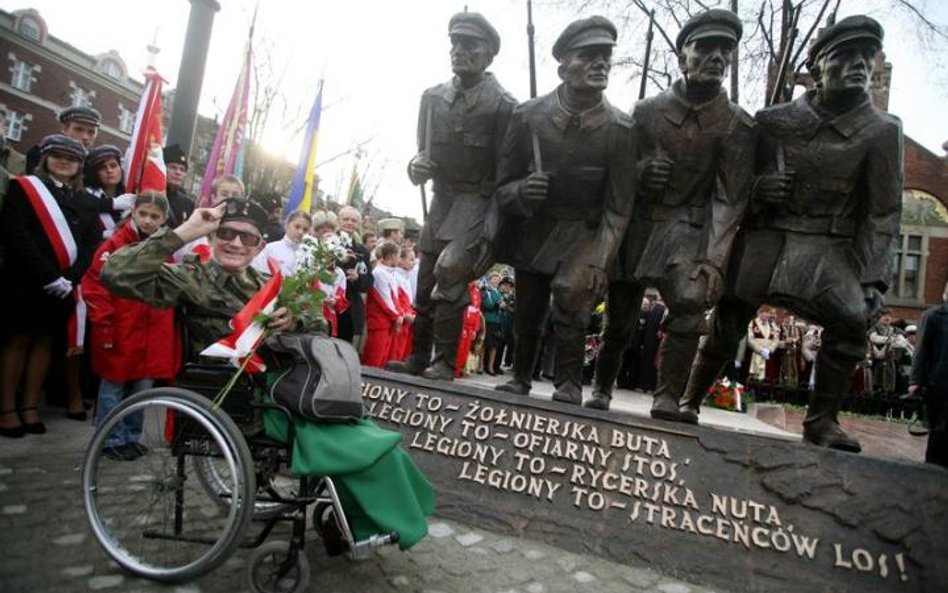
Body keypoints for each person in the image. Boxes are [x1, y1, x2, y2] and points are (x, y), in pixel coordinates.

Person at [100, 199, 434, 549]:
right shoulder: (190, 276)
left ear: (260, 245)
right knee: (354, 443)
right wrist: (184, 232)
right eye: (226, 233)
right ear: (213, 236)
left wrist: (296, 318)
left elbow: (319, 320)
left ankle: (360, 515)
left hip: (279, 387)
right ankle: (370, 517)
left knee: (363, 429)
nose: (235, 244)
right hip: (234, 398)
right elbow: (115, 273)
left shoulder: (266, 281)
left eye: (247, 238)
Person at [677, 16, 903, 452]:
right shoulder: (773, 122)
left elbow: (882, 213)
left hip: (828, 249)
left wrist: (873, 277)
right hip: (767, 236)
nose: (858, 64)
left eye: (865, 56)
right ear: (818, 68)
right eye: (844, 56)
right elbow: (733, 185)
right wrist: (760, 190)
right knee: (727, 323)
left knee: (852, 320)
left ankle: (821, 421)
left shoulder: (882, 130)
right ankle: (689, 398)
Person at [589, 9, 754, 412]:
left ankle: (667, 397)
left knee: (689, 302)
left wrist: (714, 262)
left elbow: (729, 200)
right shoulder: (646, 111)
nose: (717, 57)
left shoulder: (737, 125)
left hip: (689, 231)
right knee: (619, 321)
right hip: (640, 227)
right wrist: (643, 173)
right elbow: (620, 176)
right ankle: (601, 389)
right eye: (705, 48)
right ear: (683, 57)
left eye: (725, 50)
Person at [493, 16, 635, 405]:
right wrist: (522, 190)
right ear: (563, 67)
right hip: (535, 230)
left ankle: (569, 384)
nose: (600, 63)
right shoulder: (528, 116)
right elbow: (501, 187)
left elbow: (619, 207)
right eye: (588, 55)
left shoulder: (621, 128)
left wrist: (600, 261)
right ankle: (520, 377)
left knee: (573, 302)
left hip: (585, 235)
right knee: (528, 312)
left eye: (605, 56)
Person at [386, 12, 517, 381]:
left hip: (478, 202)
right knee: (425, 282)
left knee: (450, 271)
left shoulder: (504, 105)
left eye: (470, 45)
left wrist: (496, 222)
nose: (459, 51)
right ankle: (418, 356)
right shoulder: (432, 98)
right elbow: (420, 153)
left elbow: (509, 170)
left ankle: (444, 361)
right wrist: (416, 167)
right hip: (441, 203)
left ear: (489, 54)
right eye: (455, 44)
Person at [0, 135, 99, 437]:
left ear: (79, 166)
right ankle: (6, 409)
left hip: (64, 285)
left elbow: (89, 243)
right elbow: (16, 235)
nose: (65, 161)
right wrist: (48, 275)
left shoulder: (81, 199)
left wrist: (71, 277)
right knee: (17, 341)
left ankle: (29, 406)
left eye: (72, 158)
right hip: (27, 280)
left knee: (44, 343)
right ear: (45, 158)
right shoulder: (24, 188)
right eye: (57, 155)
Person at [82, 192, 180, 460]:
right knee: (113, 386)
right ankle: (111, 437)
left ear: (163, 220)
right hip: (121, 327)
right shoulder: (114, 246)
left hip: (152, 332)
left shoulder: (164, 251)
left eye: (155, 216)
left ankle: (131, 436)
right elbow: (95, 287)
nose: (148, 221)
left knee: (142, 389)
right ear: (133, 212)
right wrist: (104, 322)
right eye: (144, 214)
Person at [910, 281, 948, 467]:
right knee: (939, 430)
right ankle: (932, 469)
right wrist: (915, 380)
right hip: (939, 383)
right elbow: (921, 350)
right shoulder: (933, 316)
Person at [336, 206, 373, 350]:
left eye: (353, 220)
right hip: (328, 307)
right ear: (338, 221)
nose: (350, 223)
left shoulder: (363, 251)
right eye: (346, 219)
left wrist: (358, 278)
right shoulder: (326, 243)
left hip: (350, 310)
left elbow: (369, 283)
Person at [362, 242, 404, 368]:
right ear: (391, 256)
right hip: (379, 321)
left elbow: (394, 298)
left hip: (387, 321)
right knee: (375, 357)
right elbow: (384, 299)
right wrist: (397, 316)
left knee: (384, 358)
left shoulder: (390, 273)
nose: (399, 259)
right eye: (398, 256)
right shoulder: (379, 273)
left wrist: (399, 314)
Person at [82, 145, 135, 240]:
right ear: (94, 172)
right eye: (102, 168)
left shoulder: (131, 194)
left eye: (113, 165)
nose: (109, 170)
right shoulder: (85, 195)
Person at [26, 106, 100, 173]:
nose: (85, 137)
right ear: (64, 129)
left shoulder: (96, 165)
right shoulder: (41, 154)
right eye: (78, 129)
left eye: (91, 132)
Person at [253, 211, 311, 276]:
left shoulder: (309, 256)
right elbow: (257, 272)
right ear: (286, 225)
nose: (301, 232)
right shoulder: (270, 249)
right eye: (297, 227)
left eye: (305, 230)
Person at [162, 144, 194, 228]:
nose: (178, 172)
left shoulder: (188, 204)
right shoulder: (149, 195)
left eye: (182, 169)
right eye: (173, 167)